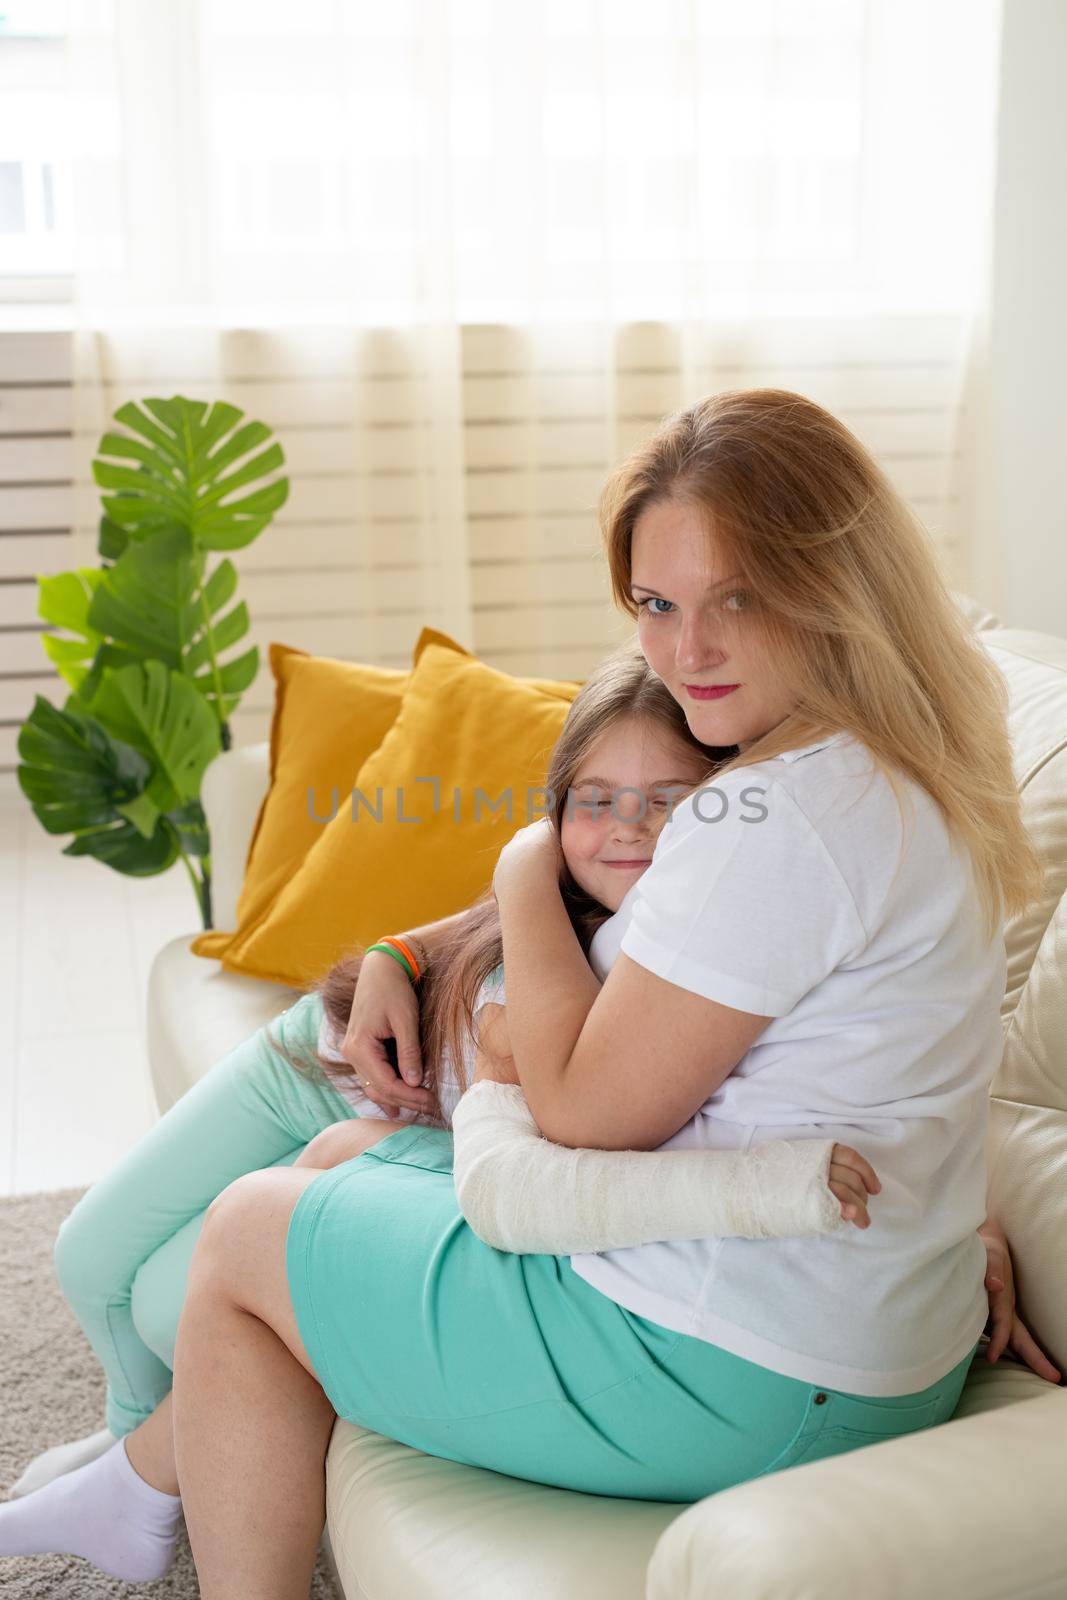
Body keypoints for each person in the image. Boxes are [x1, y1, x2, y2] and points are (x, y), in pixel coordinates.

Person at [5, 389, 1061, 1600]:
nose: (685, 651)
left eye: (737, 598)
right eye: (656, 606)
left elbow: (579, 1114)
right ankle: (145, 1484)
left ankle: (146, 1494)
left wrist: (519, 874)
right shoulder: (913, 762)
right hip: (852, 1341)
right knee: (348, 1149)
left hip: (730, 1367)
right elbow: (889, 1058)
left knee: (247, 1230)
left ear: (835, 582)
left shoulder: (772, 817)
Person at [0, 642, 881, 1586]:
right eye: (595, 798)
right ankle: (131, 1464)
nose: (629, 825)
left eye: (666, 798)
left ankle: (138, 1483)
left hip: (426, 1129)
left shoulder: (691, 948)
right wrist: (398, 953)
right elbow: (482, 922)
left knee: (171, 1300)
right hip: (325, 1053)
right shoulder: (551, 886)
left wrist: (961, 1212)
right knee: (89, 1256)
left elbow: (830, 1074)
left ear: (717, 812)